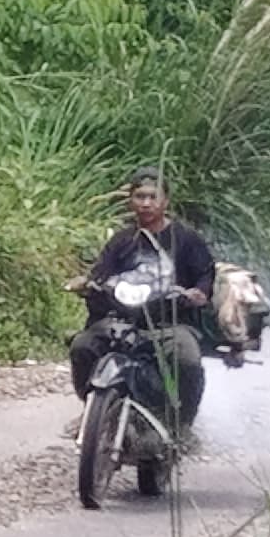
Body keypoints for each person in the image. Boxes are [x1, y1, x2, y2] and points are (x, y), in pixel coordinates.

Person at [83, 170, 215, 433]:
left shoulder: (185, 238)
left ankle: (182, 425)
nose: (145, 203)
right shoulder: (122, 240)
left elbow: (205, 274)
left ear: (165, 201)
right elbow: (101, 274)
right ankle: (91, 411)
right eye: (139, 196)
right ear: (130, 200)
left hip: (170, 321)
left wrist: (197, 293)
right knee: (83, 346)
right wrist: (89, 285)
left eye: (152, 197)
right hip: (121, 319)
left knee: (187, 358)